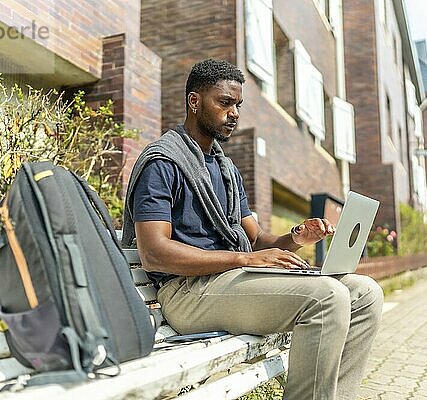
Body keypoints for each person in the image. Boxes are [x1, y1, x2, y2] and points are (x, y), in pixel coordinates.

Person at [122, 59, 383, 400]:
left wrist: (296, 238)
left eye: (238, 105)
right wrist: (246, 259)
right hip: (186, 293)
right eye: (224, 102)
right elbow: (155, 253)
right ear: (194, 101)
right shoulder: (163, 162)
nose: (233, 113)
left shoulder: (226, 170)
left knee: (365, 293)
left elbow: (259, 239)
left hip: (230, 282)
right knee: (327, 298)